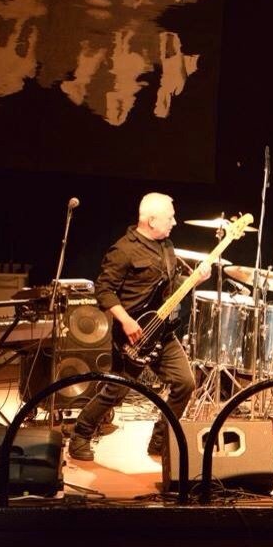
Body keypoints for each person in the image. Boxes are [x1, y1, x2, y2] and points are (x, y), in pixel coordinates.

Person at [68, 192, 210, 461]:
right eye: (170, 217)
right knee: (115, 392)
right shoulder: (123, 250)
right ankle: (80, 436)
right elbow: (104, 290)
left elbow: (170, 290)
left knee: (185, 383)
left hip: (162, 331)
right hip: (132, 334)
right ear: (152, 220)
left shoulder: (167, 247)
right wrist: (125, 320)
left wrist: (195, 280)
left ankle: (160, 441)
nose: (175, 222)